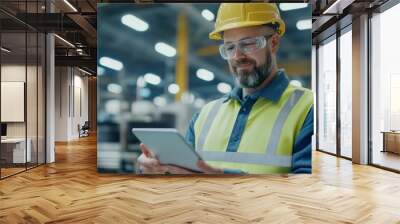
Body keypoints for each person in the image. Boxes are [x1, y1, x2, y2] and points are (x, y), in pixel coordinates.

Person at [137, 3, 313, 174]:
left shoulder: (308, 108)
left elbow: (309, 193)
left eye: (249, 43)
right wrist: (161, 171)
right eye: (229, 47)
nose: (237, 56)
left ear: (273, 43)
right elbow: (184, 177)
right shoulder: (204, 116)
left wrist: (222, 180)